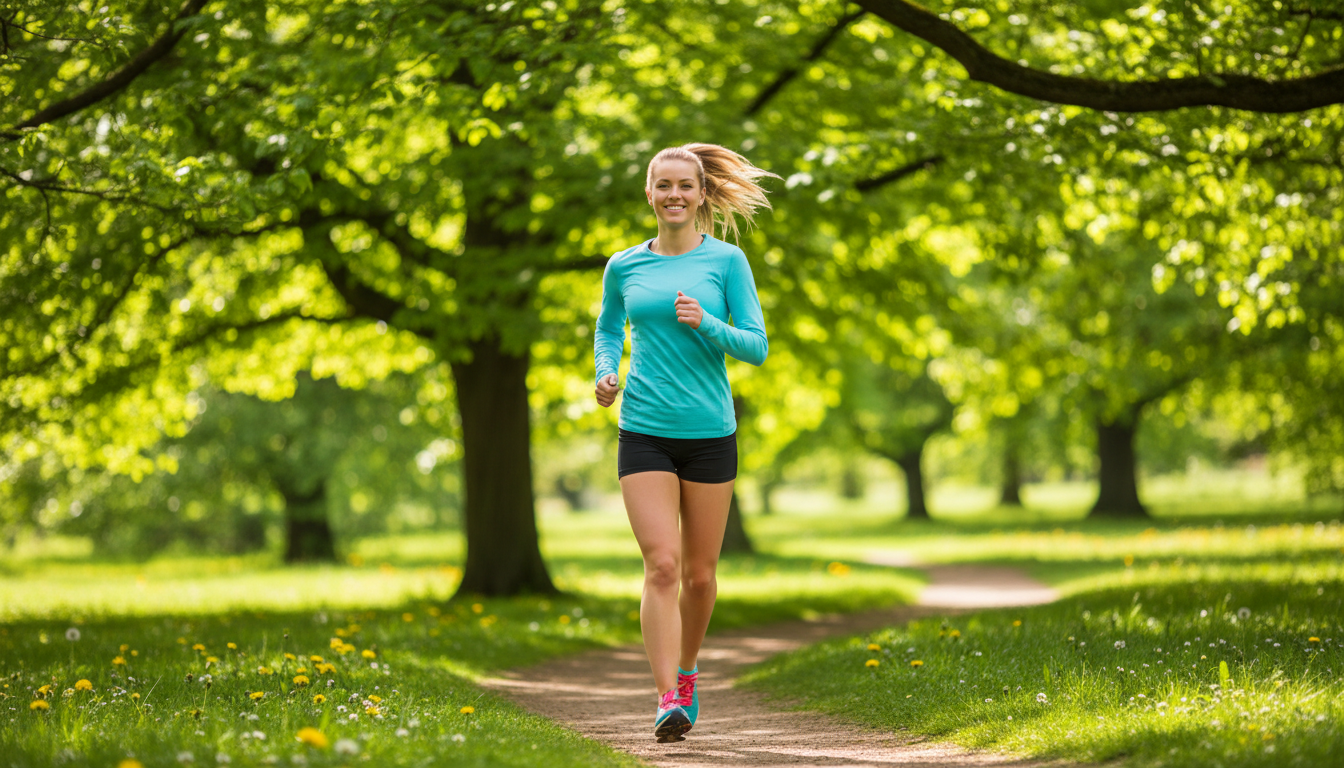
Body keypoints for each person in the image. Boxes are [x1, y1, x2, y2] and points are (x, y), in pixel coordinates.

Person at [593, 143, 776, 743]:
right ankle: (667, 696)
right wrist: (605, 371)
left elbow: (756, 345)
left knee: (699, 575)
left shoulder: (727, 263)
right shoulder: (623, 265)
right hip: (643, 428)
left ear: (701, 195)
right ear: (649, 193)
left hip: (709, 435)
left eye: (685, 186)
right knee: (662, 565)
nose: (674, 195)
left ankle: (689, 672)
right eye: (663, 185)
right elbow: (606, 329)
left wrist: (710, 324)